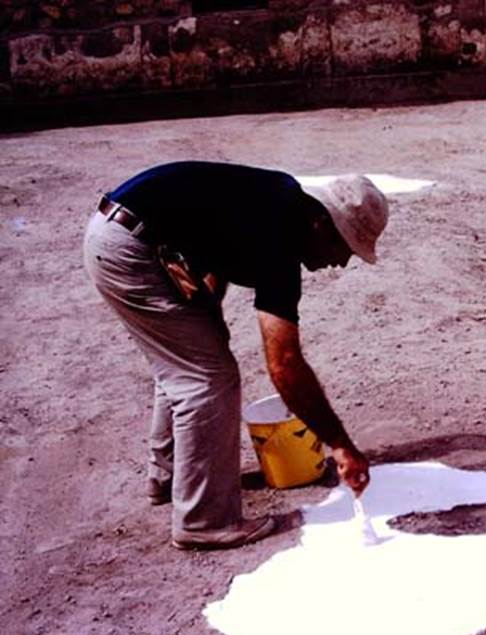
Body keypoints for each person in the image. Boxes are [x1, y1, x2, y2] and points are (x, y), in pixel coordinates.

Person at [83, 161, 388, 550]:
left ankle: (169, 476)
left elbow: (217, 241)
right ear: (321, 224)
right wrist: (340, 443)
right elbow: (285, 364)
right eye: (344, 247)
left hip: (126, 232)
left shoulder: (279, 204)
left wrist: (208, 315)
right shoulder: (281, 235)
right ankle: (204, 522)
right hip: (132, 249)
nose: (341, 263)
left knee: (191, 358)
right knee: (208, 377)